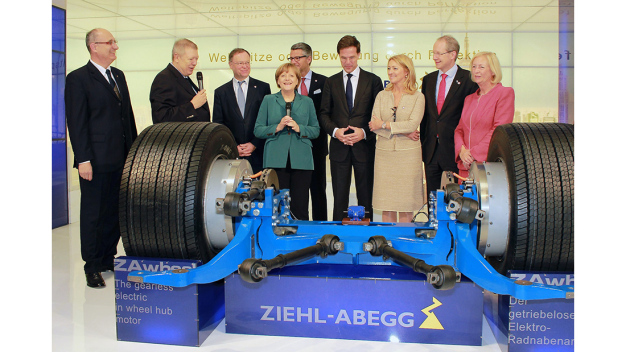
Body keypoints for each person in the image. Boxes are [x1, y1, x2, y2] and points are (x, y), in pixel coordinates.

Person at [65, 28, 138, 288]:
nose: (115, 47)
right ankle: (92, 265)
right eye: (110, 43)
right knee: (94, 214)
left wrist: (135, 153)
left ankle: (108, 258)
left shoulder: (118, 76)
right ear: (94, 47)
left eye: (115, 42)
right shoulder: (78, 79)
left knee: (115, 213)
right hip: (94, 161)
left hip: (122, 159)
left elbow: (127, 118)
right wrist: (82, 158)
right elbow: (77, 122)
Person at [319, 35, 383, 221]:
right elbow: (324, 114)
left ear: (359, 55)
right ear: (338, 56)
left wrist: (363, 132)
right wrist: (335, 132)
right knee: (339, 197)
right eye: (343, 58)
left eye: (352, 57)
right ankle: (337, 237)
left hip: (364, 147)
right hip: (339, 148)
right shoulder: (331, 82)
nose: (347, 62)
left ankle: (368, 238)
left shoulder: (373, 81)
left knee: (366, 196)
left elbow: (378, 115)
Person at [254, 63, 320, 220]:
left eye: (291, 75)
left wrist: (299, 128)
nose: (287, 79)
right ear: (278, 80)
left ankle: (301, 240)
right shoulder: (269, 100)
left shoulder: (307, 102)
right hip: (275, 159)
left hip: (302, 160)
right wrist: (277, 127)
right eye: (283, 75)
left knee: (300, 206)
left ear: (297, 80)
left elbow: (316, 130)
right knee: (277, 205)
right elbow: (258, 129)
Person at [417, 35, 478, 197]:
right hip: (431, 151)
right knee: (432, 199)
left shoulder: (468, 80)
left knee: (455, 199)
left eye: (439, 53)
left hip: (455, 151)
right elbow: (427, 117)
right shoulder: (428, 80)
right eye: (433, 53)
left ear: (453, 54)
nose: (435, 57)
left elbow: (470, 119)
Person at [368, 55, 425, 223]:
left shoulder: (417, 97)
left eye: (395, 68)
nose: (390, 72)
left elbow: (413, 124)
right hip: (384, 155)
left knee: (406, 205)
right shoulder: (381, 95)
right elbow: (373, 125)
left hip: (408, 157)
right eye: (388, 68)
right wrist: (403, 131)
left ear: (406, 72)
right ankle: (387, 246)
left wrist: (386, 126)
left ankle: (403, 244)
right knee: (387, 203)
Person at [454, 51, 515, 178]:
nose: (476, 71)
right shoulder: (469, 99)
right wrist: (462, 151)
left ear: (493, 71)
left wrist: (473, 155)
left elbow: (499, 130)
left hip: (488, 168)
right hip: (465, 168)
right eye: (474, 67)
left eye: (481, 67)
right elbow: (459, 130)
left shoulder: (504, 93)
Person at [213, 48, 271, 173]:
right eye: (240, 63)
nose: (245, 66)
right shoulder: (221, 92)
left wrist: (254, 144)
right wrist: (233, 146)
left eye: (247, 62)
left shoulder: (263, 88)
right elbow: (219, 124)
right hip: (232, 155)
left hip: (258, 154)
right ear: (231, 65)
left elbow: (267, 120)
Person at [288, 42, 328, 221]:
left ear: (309, 59)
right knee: (297, 191)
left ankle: (321, 227)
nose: (294, 61)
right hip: (294, 145)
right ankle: (298, 225)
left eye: (298, 57)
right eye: (291, 58)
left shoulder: (325, 82)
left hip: (317, 145)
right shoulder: (288, 82)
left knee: (318, 189)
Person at [150, 39, 210, 123]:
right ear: (177, 57)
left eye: (196, 59)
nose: (195, 63)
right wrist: (192, 105)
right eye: (191, 59)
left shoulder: (184, 78)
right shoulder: (164, 79)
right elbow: (161, 118)